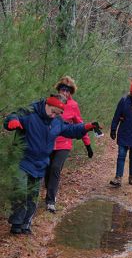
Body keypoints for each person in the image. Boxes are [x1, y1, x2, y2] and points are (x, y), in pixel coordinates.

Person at [4, 94, 98, 234]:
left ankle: (25, 224)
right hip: (22, 159)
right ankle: (16, 224)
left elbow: (70, 130)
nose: (54, 115)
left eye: (58, 113)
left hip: (40, 163)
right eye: (53, 112)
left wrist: (86, 127)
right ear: (47, 105)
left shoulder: (57, 121)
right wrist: (12, 122)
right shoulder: (30, 112)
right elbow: (12, 116)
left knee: (33, 195)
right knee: (20, 191)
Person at [44, 76, 94, 213]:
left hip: (64, 144)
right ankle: (49, 191)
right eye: (62, 89)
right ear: (59, 90)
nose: (65, 93)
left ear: (71, 92)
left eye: (68, 91)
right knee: (47, 170)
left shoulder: (73, 105)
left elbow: (80, 126)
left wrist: (87, 145)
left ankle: (50, 201)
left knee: (55, 168)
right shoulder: (52, 102)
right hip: (49, 143)